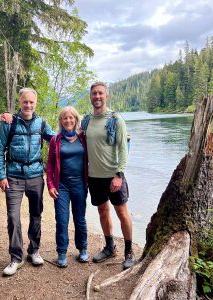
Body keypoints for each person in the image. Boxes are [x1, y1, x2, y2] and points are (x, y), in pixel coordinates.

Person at [0, 87, 54, 276]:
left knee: (36, 214)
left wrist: (78, 134)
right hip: (13, 176)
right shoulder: (9, 123)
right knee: (13, 217)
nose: (28, 105)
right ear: (20, 102)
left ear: (35, 103)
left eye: (31, 102)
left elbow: (56, 141)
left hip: (36, 175)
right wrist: (1, 175)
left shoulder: (42, 124)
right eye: (25, 102)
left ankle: (34, 250)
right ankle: (16, 257)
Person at [82, 81, 135, 270]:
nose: (97, 97)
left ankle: (129, 251)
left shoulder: (116, 119)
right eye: (94, 93)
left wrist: (119, 174)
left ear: (107, 96)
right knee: (102, 211)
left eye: (100, 94)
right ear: (91, 96)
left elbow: (123, 148)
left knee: (122, 212)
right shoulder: (86, 120)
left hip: (114, 175)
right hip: (95, 176)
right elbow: (73, 136)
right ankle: (110, 246)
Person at [46, 106, 88, 268]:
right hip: (61, 187)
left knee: (80, 219)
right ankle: (62, 252)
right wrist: (50, 185)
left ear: (76, 120)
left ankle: (82, 248)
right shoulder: (55, 140)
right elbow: (49, 165)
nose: (68, 120)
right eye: (65, 118)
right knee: (62, 221)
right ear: (61, 121)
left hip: (79, 185)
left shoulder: (83, 138)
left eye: (71, 118)